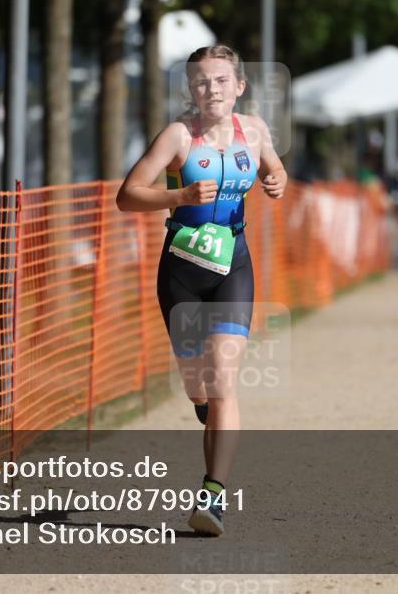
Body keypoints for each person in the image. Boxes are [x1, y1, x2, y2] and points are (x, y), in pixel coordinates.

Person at [116, 45, 286, 536]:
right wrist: (179, 196)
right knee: (199, 387)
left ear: (239, 86)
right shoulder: (177, 136)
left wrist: (276, 182)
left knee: (224, 380)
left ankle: (213, 497)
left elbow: (275, 169)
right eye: (200, 82)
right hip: (182, 270)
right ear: (190, 89)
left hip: (233, 263)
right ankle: (204, 410)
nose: (210, 90)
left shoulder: (253, 131)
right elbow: (128, 196)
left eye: (219, 81)